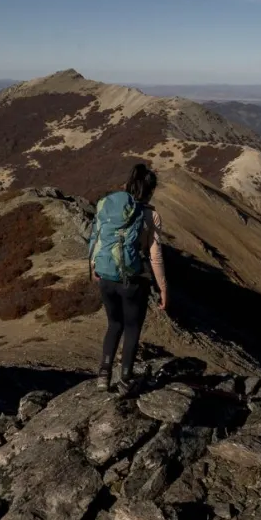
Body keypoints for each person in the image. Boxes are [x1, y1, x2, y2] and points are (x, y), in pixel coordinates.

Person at [88, 163, 168, 393]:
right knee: (132, 327)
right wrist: (163, 287)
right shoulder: (151, 216)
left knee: (114, 324)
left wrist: (94, 265)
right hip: (133, 281)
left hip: (105, 277)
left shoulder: (109, 207)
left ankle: (103, 374)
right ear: (151, 191)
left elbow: (97, 236)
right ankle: (125, 378)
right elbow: (155, 256)